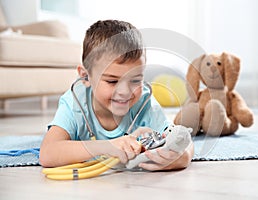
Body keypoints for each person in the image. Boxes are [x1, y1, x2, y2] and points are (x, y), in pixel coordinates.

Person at [39, 20, 194, 171]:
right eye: (112, 81)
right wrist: (108, 146)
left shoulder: (145, 103)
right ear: (86, 77)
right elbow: (47, 153)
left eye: (135, 80)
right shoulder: (74, 103)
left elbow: (180, 137)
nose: (125, 91)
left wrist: (184, 157)